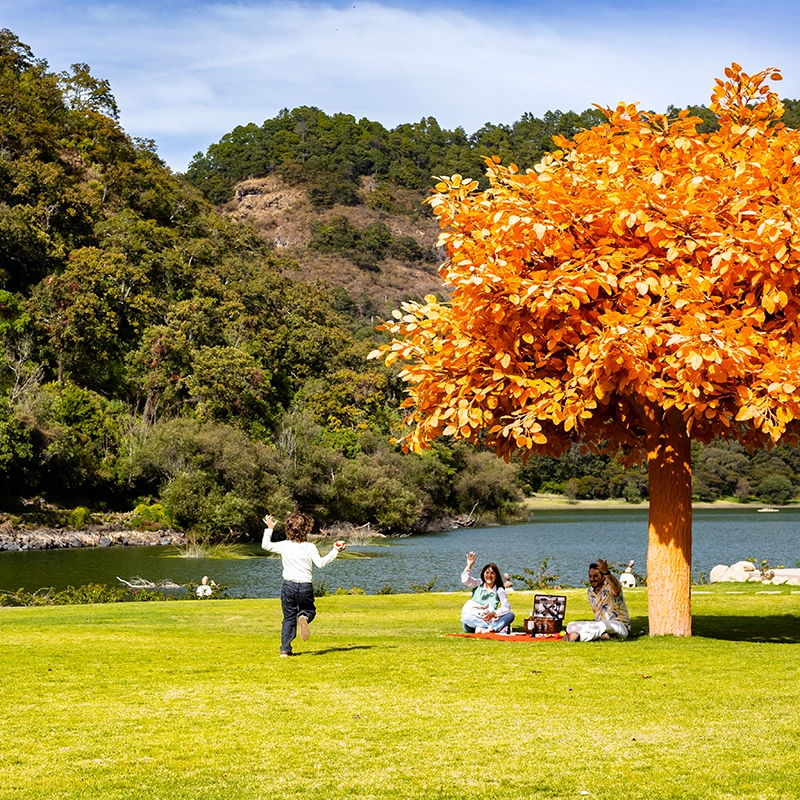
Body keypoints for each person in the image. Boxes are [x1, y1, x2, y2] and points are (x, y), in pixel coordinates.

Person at [262, 512, 345, 657]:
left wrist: (270, 528)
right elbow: (320, 563)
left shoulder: (284, 546)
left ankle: (285, 649)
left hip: (288, 586)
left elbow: (265, 545)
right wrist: (335, 550)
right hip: (305, 586)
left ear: (288, 529)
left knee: (288, 617)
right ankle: (304, 617)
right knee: (309, 611)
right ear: (307, 529)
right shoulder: (310, 547)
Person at [565, 558, 630, 642]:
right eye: (590, 576)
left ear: (603, 577)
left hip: (620, 626)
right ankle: (605, 636)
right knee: (571, 625)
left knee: (602, 625)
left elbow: (617, 589)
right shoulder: (590, 592)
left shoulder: (610, 587)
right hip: (599, 625)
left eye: (596, 576)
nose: (592, 579)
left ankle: (578, 637)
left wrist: (606, 572)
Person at [460, 551, 515, 634]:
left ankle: (488, 629)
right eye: (487, 573)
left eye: (492, 573)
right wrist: (469, 565)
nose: (489, 575)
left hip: (490, 619)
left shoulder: (499, 590)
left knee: (510, 615)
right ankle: (492, 628)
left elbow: (506, 607)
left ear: (496, 576)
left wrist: (494, 614)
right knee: (466, 617)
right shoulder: (478, 583)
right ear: (483, 574)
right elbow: (465, 580)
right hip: (475, 619)